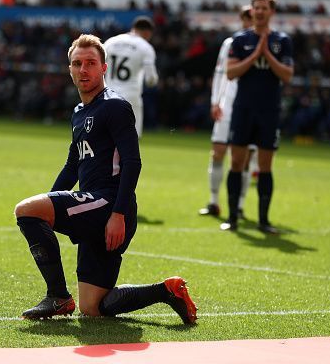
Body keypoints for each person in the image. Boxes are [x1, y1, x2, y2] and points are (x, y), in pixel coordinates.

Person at [14, 34, 196, 324]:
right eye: (77, 63)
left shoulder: (114, 106)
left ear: (103, 69)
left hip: (109, 205)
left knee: (25, 210)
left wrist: (118, 214)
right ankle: (166, 291)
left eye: (90, 63)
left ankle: (58, 296)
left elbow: (133, 162)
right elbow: (73, 165)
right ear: (70, 69)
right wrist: (50, 203)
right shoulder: (79, 112)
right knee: (93, 306)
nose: (83, 69)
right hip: (93, 208)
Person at [221, 0, 293, 234]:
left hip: (269, 110)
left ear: (271, 12)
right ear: (251, 11)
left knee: (265, 166)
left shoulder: (282, 41)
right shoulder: (240, 40)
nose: (260, 12)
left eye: (265, 8)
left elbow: (287, 75)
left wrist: (267, 54)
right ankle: (232, 218)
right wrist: (255, 54)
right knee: (237, 162)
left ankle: (263, 220)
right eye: (257, 8)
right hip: (244, 109)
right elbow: (231, 73)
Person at [199, 5, 256, 219]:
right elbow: (220, 73)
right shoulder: (231, 43)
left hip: (251, 107)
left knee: (245, 159)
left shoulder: (264, 43)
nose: (249, 21)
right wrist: (216, 101)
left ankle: (239, 205)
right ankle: (214, 201)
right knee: (218, 153)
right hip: (228, 105)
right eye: (246, 17)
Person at [104, 16, 159, 137]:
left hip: (107, 96)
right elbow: (150, 79)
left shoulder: (110, 42)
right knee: (130, 140)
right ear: (147, 33)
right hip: (130, 97)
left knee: (106, 139)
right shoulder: (145, 47)